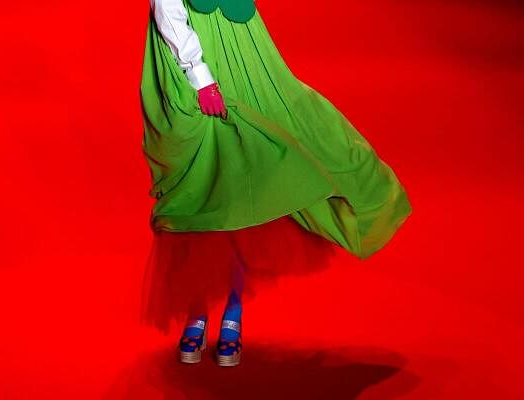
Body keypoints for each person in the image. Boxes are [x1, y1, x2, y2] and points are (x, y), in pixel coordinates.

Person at [139, 0, 413, 367]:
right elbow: (167, 11)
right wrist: (200, 77)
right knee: (204, 188)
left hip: (244, 50)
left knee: (252, 173)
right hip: (194, 59)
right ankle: (197, 310)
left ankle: (232, 310)